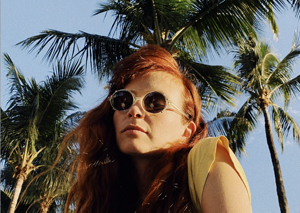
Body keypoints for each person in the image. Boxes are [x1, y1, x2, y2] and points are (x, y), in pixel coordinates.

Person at [64, 45, 252, 212]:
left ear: (186, 130)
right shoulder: (107, 196)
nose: (134, 110)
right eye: (124, 100)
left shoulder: (207, 156)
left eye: (155, 103)